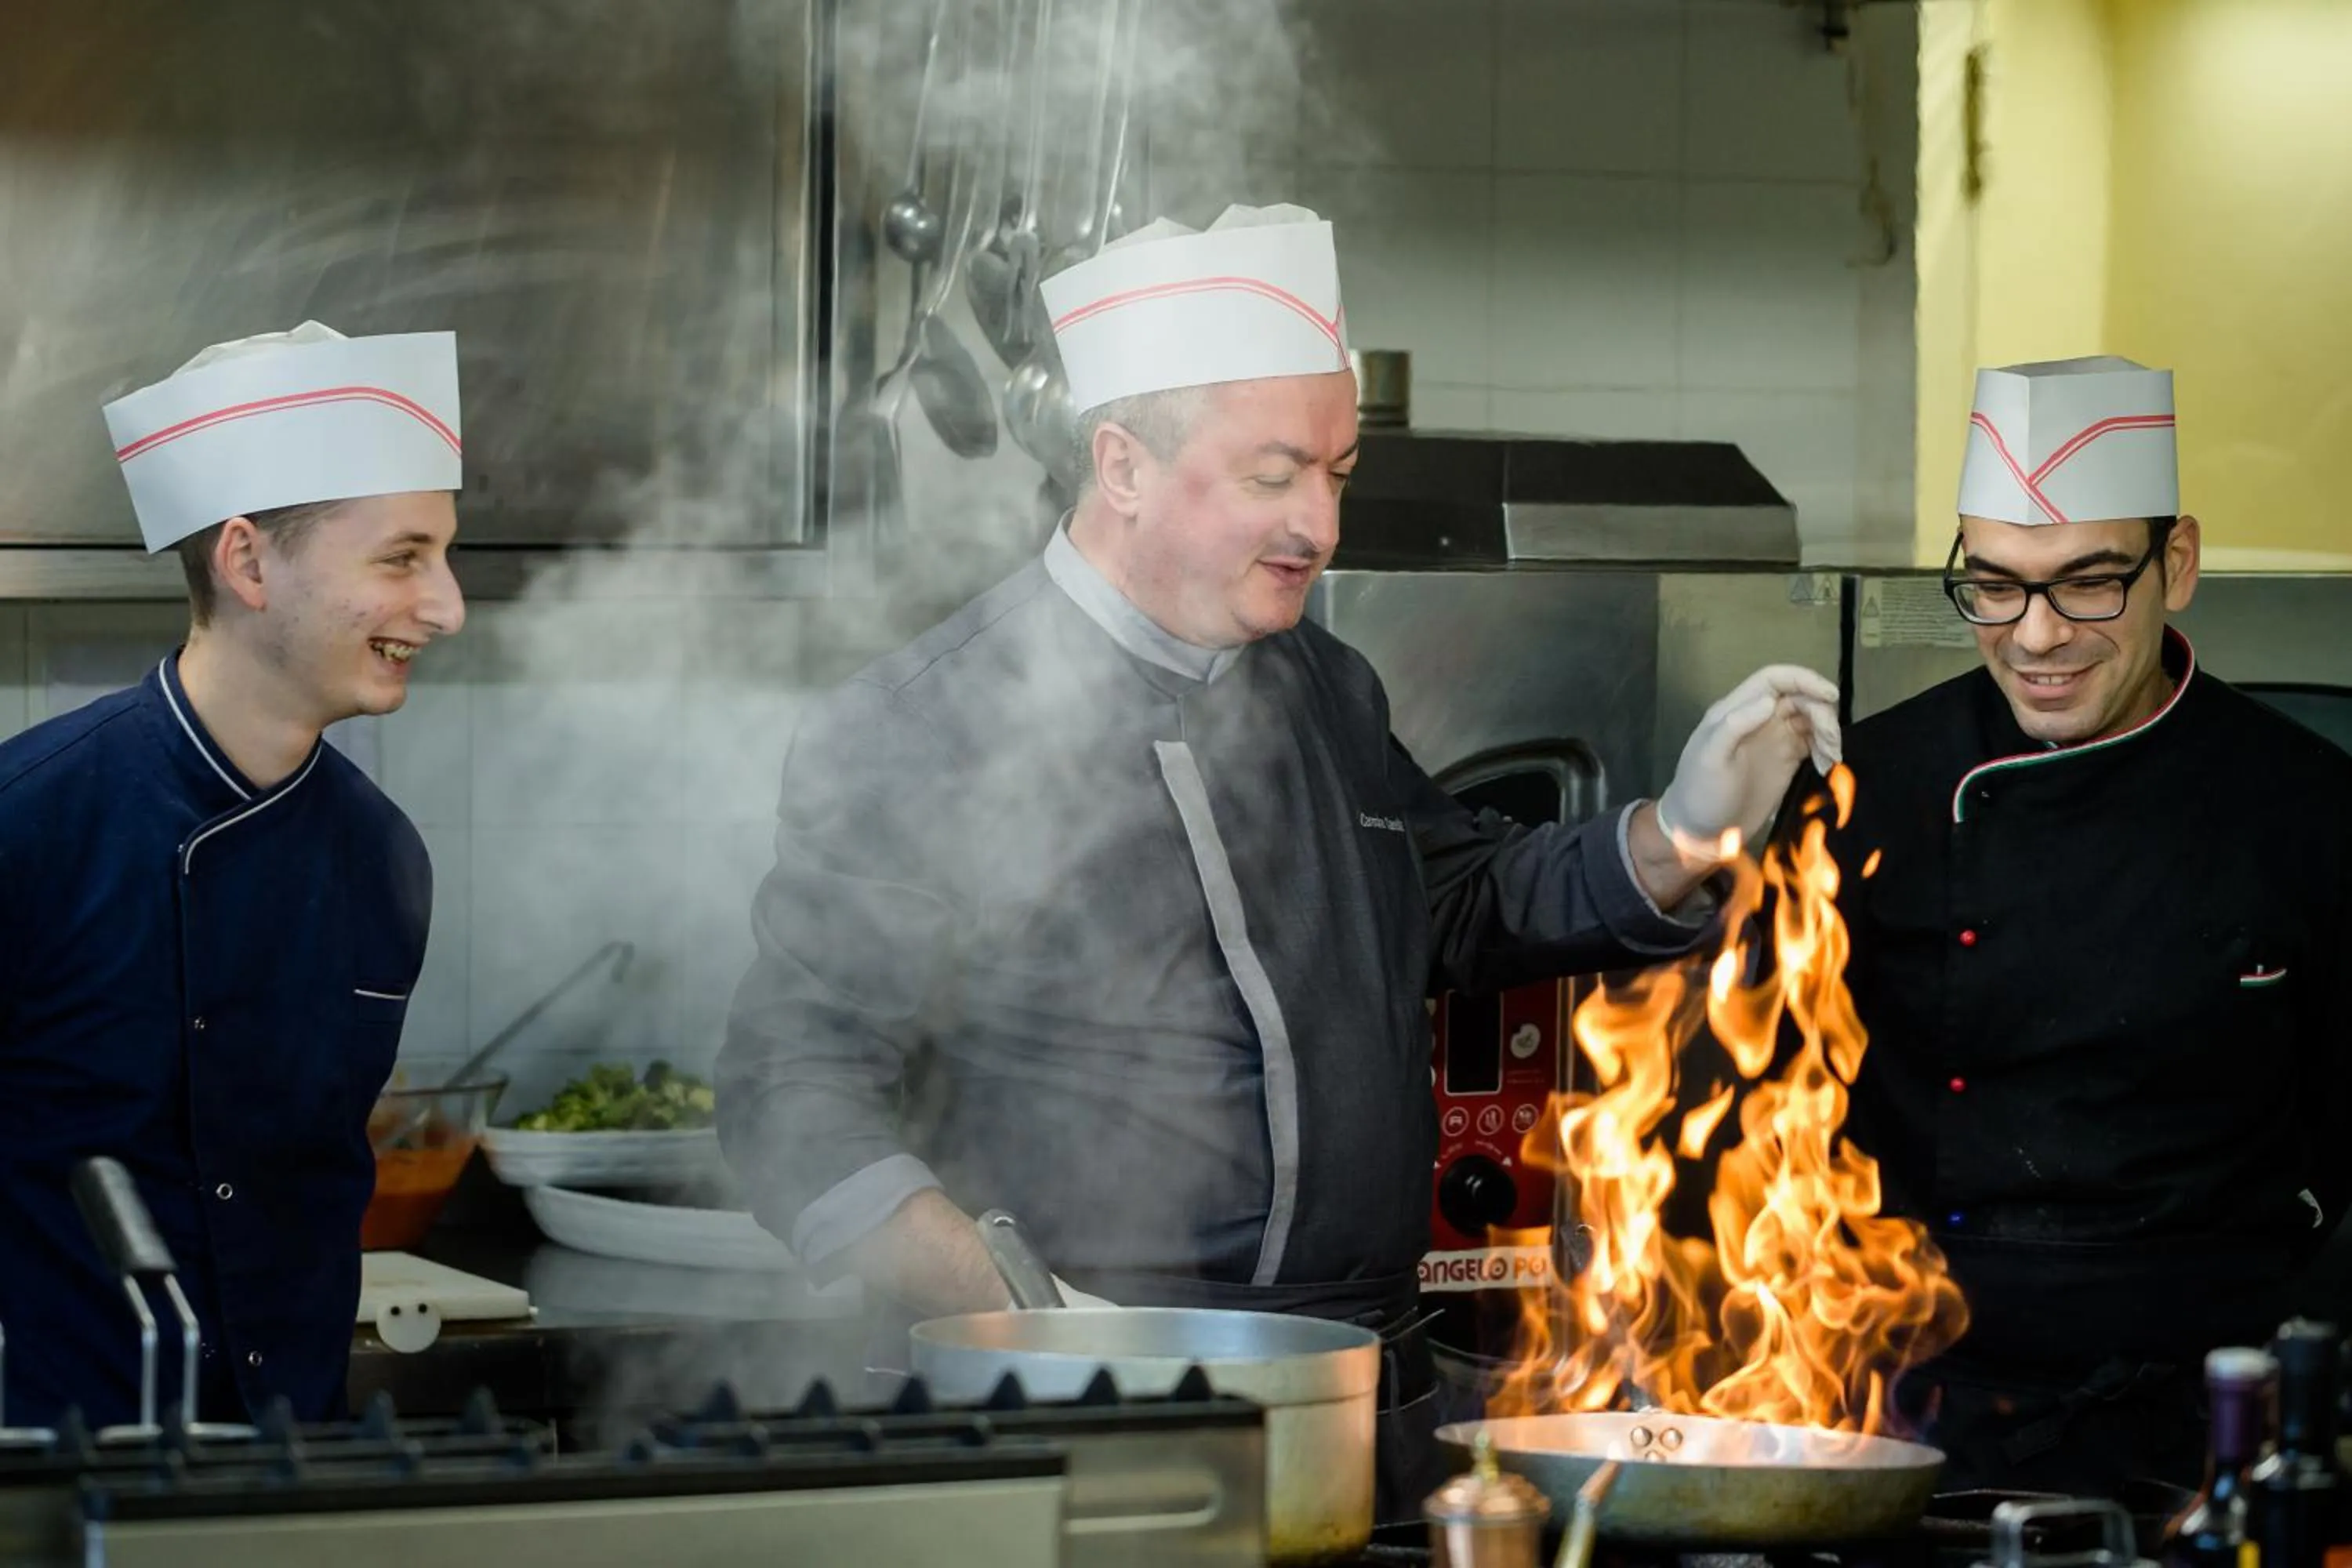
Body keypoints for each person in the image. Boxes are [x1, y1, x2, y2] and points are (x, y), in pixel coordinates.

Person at [718, 205, 1840, 1515]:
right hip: (1076, 1415)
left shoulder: (1322, 685)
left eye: (1339, 471)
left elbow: (1457, 903)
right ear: (1121, 464)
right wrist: (1030, 1319)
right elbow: (789, 1093)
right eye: (1272, 475)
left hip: (1366, 1397)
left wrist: (1676, 838)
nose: (1322, 522)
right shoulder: (924, 724)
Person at [1804, 356, 2352, 1493]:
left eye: (2088, 583)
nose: (2037, 636)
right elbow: (1762, 1089)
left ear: (2178, 565)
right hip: (1910, 1411)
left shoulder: (2308, 806)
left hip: (2207, 1419)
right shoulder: (1868, 786)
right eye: (1995, 584)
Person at [0, 321, 467, 1429]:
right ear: (249, 561)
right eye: (403, 558)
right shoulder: (28, 821)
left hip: (286, 1481)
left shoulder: (381, 859)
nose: (447, 607)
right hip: (47, 1482)